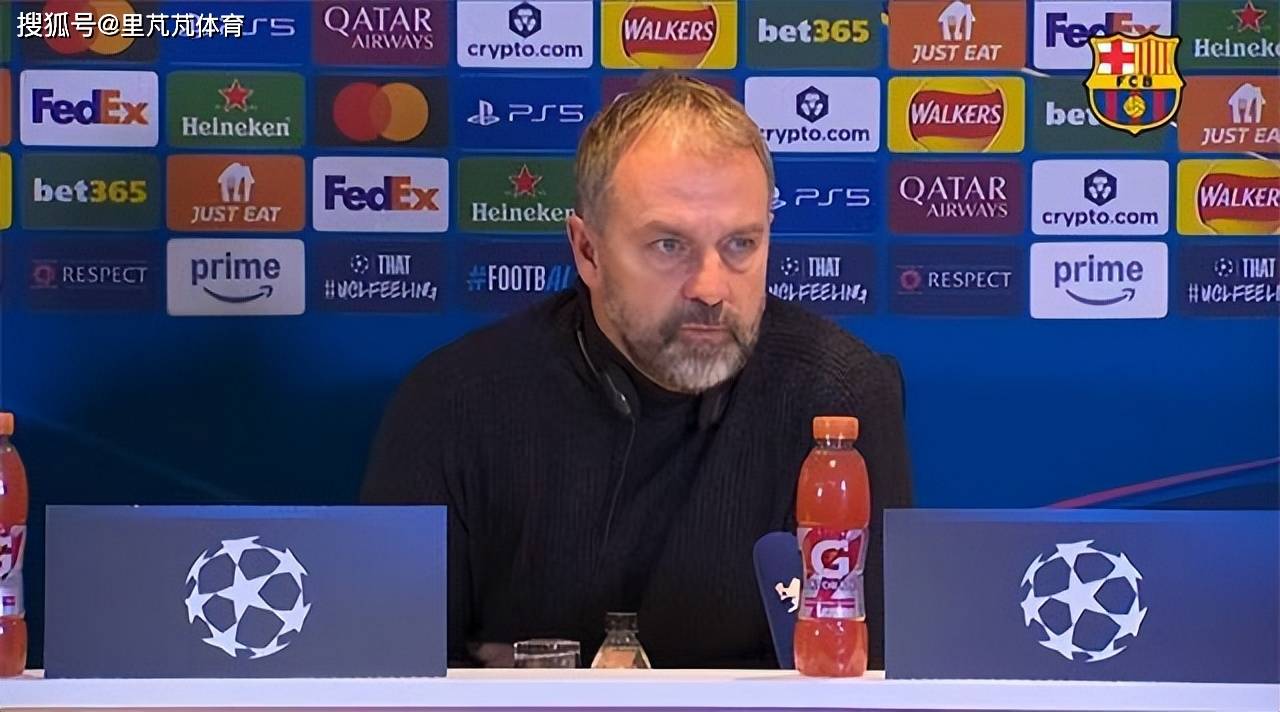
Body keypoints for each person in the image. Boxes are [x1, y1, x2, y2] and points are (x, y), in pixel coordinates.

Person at [360, 74, 913, 669]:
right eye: (669, 245)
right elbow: (387, 676)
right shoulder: (452, 406)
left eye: (740, 245)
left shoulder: (838, 400)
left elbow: (877, 679)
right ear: (588, 251)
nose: (710, 288)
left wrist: (539, 676)